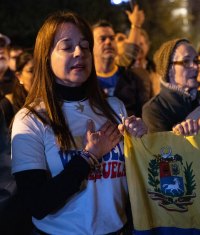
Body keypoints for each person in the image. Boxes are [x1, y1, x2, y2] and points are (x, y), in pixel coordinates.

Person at [11, 11, 147, 235]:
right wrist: (88, 157)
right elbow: (37, 204)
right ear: (46, 56)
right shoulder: (30, 119)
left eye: (85, 46)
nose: (79, 53)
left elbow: (137, 180)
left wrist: (141, 139)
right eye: (67, 47)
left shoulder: (115, 107)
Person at [92, 6, 150, 117]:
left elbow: (144, 115)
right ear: (91, 45)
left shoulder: (132, 79)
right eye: (102, 39)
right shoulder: (84, 81)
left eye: (112, 38)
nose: (108, 42)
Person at [0, 49, 34, 235]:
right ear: (19, 75)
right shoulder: (6, 106)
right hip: (14, 194)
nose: (37, 76)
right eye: (31, 71)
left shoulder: (48, 105)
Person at [142, 38, 200, 133]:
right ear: (169, 69)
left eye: (196, 61)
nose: (195, 67)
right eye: (186, 62)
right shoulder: (154, 109)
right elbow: (161, 147)